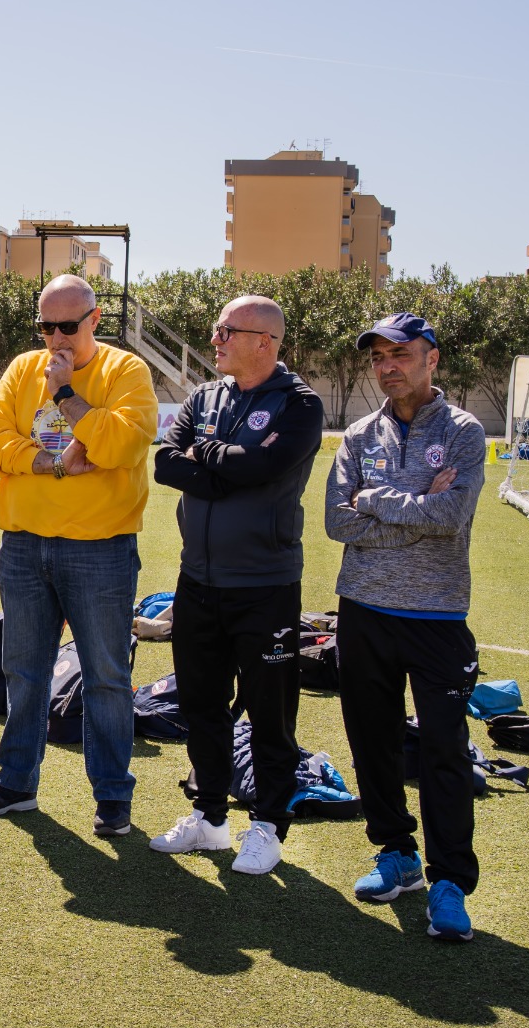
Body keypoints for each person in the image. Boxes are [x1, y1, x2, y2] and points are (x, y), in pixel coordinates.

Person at [0, 274, 158, 836]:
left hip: (100, 550)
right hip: (23, 545)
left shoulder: (126, 372)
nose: (55, 339)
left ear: (95, 320)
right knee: (23, 672)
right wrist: (52, 463)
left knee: (106, 678)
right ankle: (17, 783)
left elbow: (119, 445)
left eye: (67, 327)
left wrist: (68, 393)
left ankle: (113, 798)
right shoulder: (23, 369)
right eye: (46, 326)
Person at [325, 312, 486, 942]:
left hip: (437, 616)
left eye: (401, 354)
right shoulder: (360, 434)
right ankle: (396, 854)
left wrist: (379, 498)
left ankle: (449, 882)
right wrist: (411, 504)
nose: (388, 366)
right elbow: (339, 522)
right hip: (363, 611)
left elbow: (452, 514)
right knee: (373, 739)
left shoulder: (465, 432)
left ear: (432, 359)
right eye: (378, 357)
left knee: (444, 751)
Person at [150, 296, 324, 874]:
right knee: (201, 703)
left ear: (264, 342)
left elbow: (258, 469)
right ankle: (210, 819)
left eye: (226, 330)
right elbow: (165, 464)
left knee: (270, 712)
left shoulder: (299, 405)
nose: (215, 338)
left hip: (265, 585)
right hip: (197, 580)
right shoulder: (204, 396)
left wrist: (210, 459)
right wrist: (226, 464)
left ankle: (269, 825)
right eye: (217, 329)